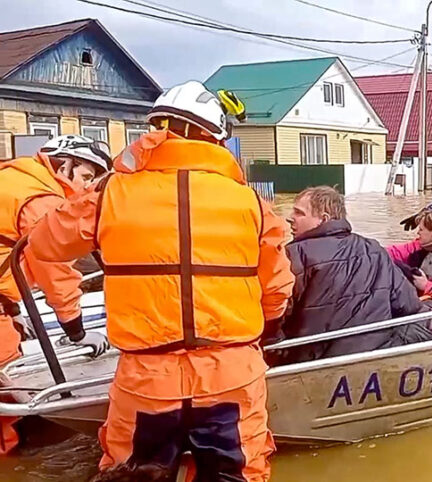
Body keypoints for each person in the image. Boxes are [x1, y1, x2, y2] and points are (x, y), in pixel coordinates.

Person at [28, 80, 295, 480]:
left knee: (131, 474)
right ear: (216, 138)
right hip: (231, 372)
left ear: (154, 130)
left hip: (146, 379)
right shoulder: (252, 203)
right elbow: (277, 291)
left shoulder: (109, 193)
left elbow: (44, 245)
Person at [0, 135, 110, 454]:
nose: (87, 186)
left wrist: (12, 307)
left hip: (4, 303)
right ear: (64, 165)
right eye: (86, 177)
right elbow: (55, 270)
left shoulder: (14, 177)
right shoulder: (41, 201)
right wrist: (77, 332)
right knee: (7, 406)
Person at [279, 186, 432, 364]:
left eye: (299, 213)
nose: (289, 218)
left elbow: (276, 315)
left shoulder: (290, 256)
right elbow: (408, 305)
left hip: (314, 361)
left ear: (323, 219)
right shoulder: (374, 249)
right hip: (377, 352)